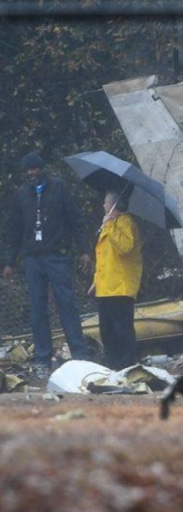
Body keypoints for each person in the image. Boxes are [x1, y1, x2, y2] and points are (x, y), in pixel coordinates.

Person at [3, 151, 93, 378]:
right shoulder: (21, 195)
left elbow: (76, 219)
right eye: (27, 170)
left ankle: (79, 354)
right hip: (33, 258)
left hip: (57, 256)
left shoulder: (59, 188)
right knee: (37, 308)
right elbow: (14, 230)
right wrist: (10, 262)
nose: (31, 173)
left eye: (34, 169)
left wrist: (84, 250)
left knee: (67, 305)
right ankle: (43, 358)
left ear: (42, 169)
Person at [89, 190, 143, 371]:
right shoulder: (109, 224)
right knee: (108, 332)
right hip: (106, 287)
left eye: (106, 202)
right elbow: (103, 255)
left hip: (120, 287)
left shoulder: (126, 222)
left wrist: (111, 225)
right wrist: (96, 279)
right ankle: (113, 366)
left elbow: (125, 247)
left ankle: (127, 365)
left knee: (122, 330)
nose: (103, 205)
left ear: (114, 205)